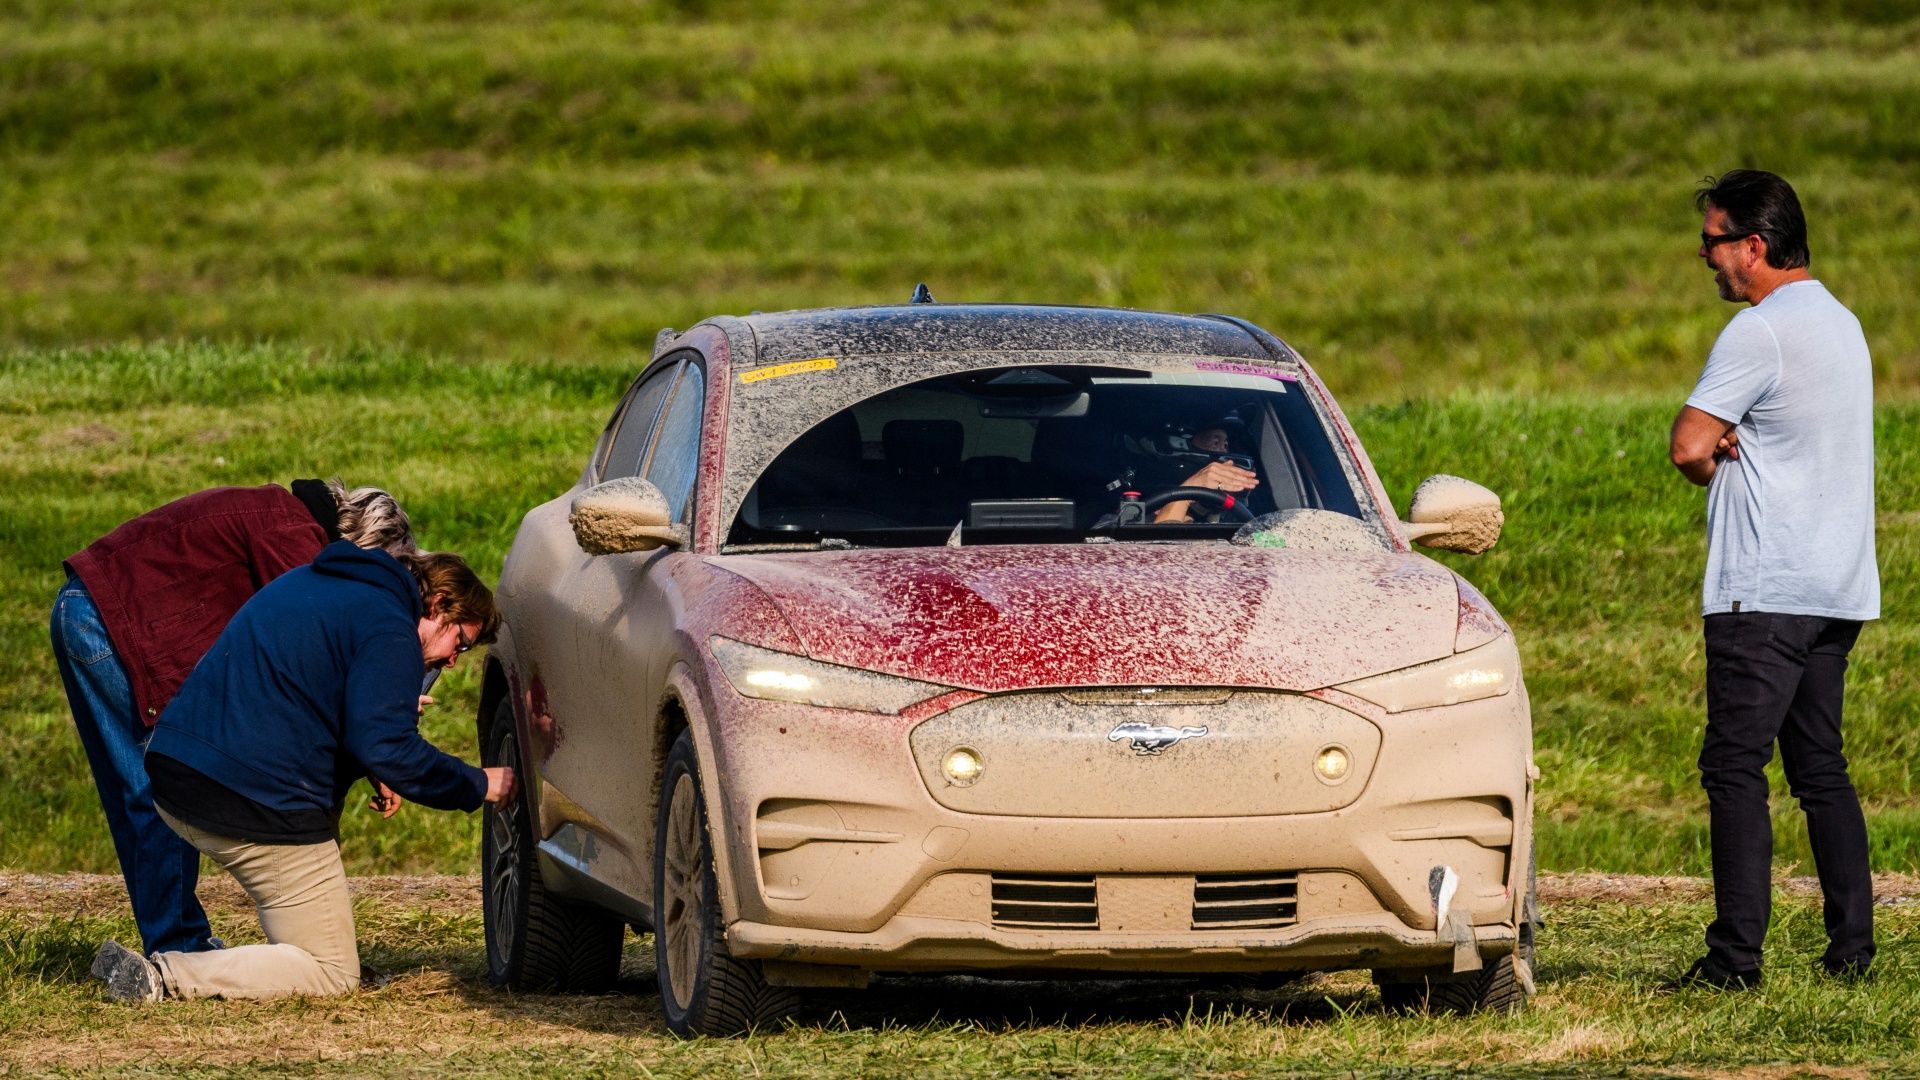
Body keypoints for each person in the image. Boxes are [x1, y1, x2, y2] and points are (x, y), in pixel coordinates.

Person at [89, 545, 516, 1002]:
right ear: (439, 606)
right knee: (331, 972)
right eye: (462, 644)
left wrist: (373, 758)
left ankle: (271, 958)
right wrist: (480, 783)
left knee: (314, 943)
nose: (453, 661)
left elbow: (315, 700)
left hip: (176, 771)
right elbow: (388, 746)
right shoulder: (392, 627)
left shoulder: (320, 582)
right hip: (245, 798)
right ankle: (163, 975)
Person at [1665, 170, 1879, 989]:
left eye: (1714, 240)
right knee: (1820, 768)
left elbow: (1689, 444)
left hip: (1765, 588)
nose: (1705, 257)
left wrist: (1712, 450)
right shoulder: (1843, 323)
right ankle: (1852, 954)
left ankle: (1733, 962)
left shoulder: (1761, 332)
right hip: (1836, 585)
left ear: (1753, 246)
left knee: (1733, 768)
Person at [51, 479, 414, 956]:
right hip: (111, 626)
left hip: (81, 609)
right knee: (157, 790)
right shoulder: (295, 537)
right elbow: (320, 655)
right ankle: (179, 946)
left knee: (134, 798)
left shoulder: (281, 515)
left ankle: (171, 940)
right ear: (365, 546)